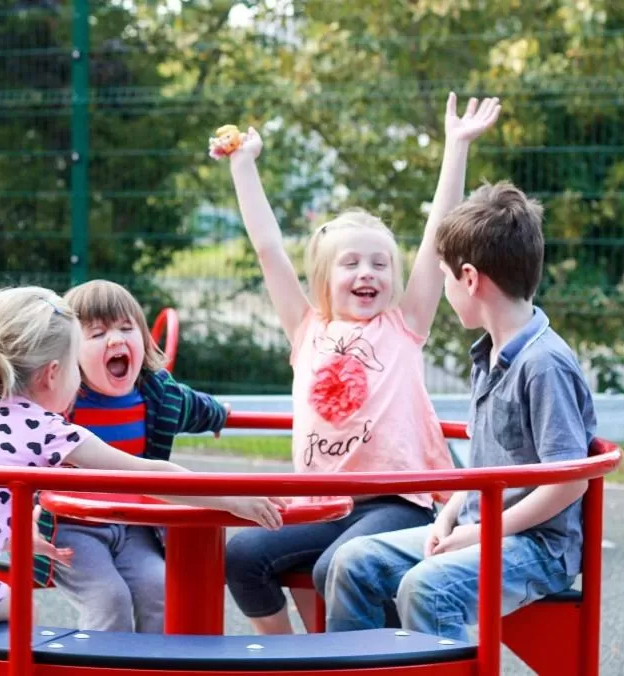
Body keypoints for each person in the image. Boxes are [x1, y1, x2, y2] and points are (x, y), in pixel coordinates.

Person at [0, 286, 284, 676]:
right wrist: (233, 499)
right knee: (15, 610)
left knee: (147, 587)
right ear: (55, 373)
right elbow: (149, 472)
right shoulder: (48, 428)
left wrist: (19, 526)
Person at [219, 93, 501, 634]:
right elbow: (268, 250)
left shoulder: (403, 325)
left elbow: (436, 234)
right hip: (324, 505)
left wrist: (456, 146)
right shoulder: (306, 330)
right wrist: (243, 165)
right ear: (325, 277)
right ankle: (295, 661)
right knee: (243, 554)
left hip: (397, 502)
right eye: (351, 263)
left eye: (379, 263)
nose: (366, 272)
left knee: (336, 568)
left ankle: (369, 659)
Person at [0, 280, 233, 634]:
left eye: (127, 328)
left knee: (159, 589)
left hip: (133, 525)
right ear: (63, 359)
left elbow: (195, 406)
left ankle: (152, 668)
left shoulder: (158, 395)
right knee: (109, 598)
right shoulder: (51, 400)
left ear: (144, 338)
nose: (116, 339)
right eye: (96, 334)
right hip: (72, 525)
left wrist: (218, 414)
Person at [323, 181, 596, 642]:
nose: (447, 288)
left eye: (447, 277)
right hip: (480, 526)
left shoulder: (543, 363)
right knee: (354, 563)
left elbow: (570, 479)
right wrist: (451, 514)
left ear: (469, 279)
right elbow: (488, 464)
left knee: (427, 590)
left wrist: (481, 533)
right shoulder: (489, 354)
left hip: (537, 548)